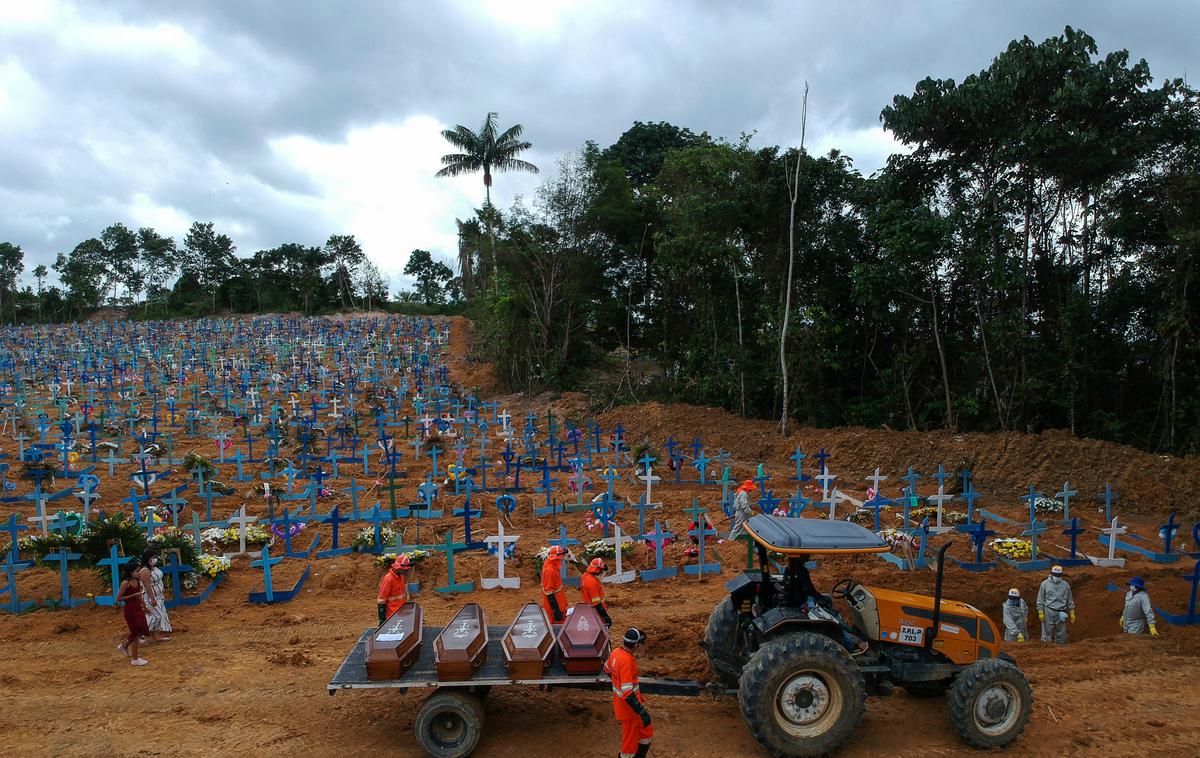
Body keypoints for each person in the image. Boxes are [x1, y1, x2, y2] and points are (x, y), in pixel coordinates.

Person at [603, 628, 653, 758]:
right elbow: (628, 693)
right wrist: (642, 712)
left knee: (646, 734)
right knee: (628, 748)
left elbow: (607, 669)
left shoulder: (615, 653)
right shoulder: (627, 661)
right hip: (630, 711)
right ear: (636, 645)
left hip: (629, 707)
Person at [116, 561, 150, 666]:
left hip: (138, 609)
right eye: (137, 570)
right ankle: (135, 659)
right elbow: (118, 598)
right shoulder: (125, 583)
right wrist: (133, 595)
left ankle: (124, 646)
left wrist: (145, 607)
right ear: (131, 572)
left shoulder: (138, 582)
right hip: (130, 611)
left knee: (139, 631)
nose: (139, 572)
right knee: (135, 634)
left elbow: (139, 596)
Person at [138, 549, 172, 643]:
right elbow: (147, 586)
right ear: (148, 558)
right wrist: (152, 598)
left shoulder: (154, 568)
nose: (155, 559)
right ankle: (142, 635)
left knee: (161, 615)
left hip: (159, 596)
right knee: (156, 616)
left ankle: (156, 636)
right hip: (149, 597)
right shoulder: (145, 571)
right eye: (153, 557)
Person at [1036, 565, 1075, 644]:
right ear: (1051, 574)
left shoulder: (1065, 585)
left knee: (1061, 632)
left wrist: (1072, 611)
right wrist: (1040, 611)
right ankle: (1046, 647)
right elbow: (1040, 599)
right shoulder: (1045, 584)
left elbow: (1070, 599)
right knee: (1046, 631)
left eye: (1059, 575)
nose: (1057, 577)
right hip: (1048, 610)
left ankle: (1061, 648)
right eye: (1055, 575)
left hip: (1061, 611)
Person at [376, 555, 411, 625]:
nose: (407, 572)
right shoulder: (388, 579)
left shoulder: (401, 577)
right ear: (399, 568)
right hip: (392, 616)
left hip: (401, 612)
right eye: (405, 570)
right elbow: (381, 600)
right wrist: (382, 621)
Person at [581, 557, 613, 627]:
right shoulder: (592, 582)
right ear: (598, 571)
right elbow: (596, 603)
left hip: (589, 608)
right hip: (596, 612)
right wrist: (605, 616)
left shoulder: (585, 576)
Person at [541, 546, 569, 623]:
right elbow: (549, 592)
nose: (561, 560)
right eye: (560, 558)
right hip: (554, 607)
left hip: (559, 601)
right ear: (556, 558)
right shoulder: (549, 571)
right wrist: (556, 610)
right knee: (557, 628)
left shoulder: (552, 564)